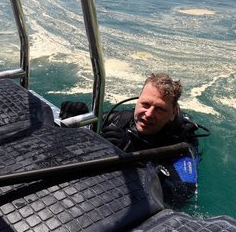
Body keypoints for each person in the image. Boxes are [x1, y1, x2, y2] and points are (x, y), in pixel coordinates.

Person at [60, 73, 206, 207]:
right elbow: (91, 129)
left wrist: (133, 156)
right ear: (137, 101)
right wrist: (80, 117)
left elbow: (181, 196)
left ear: (173, 113)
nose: (148, 114)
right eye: (145, 104)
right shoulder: (121, 119)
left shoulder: (181, 143)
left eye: (160, 109)